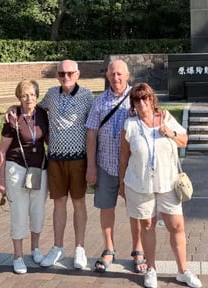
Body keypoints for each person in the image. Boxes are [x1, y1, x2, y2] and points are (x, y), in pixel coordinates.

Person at [119, 82, 202, 288]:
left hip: (168, 183)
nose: (142, 102)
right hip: (140, 185)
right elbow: (124, 159)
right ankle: (151, 269)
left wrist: (171, 134)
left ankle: (183, 270)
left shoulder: (166, 117)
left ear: (152, 98)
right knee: (147, 225)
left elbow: (184, 140)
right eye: (137, 99)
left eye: (145, 97)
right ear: (133, 103)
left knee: (176, 226)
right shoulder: (130, 125)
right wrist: (122, 184)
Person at [85, 59, 146, 274]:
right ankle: (109, 249)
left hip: (133, 168)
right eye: (112, 74)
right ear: (107, 76)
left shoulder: (138, 100)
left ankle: (138, 249)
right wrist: (91, 165)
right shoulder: (99, 101)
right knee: (106, 208)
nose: (116, 78)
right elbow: (91, 134)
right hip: (105, 165)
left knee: (136, 210)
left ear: (127, 75)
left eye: (119, 74)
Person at [37, 59, 94, 269]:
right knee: (58, 203)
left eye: (70, 73)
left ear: (78, 74)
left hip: (78, 159)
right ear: (57, 76)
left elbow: (93, 128)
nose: (66, 77)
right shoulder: (51, 94)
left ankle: (80, 248)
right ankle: (58, 247)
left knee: (79, 203)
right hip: (55, 159)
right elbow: (36, 108)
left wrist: (92, 163)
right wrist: (13, 108)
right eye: (62, 74)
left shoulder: (87, 96)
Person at [0, 79, 49, 274]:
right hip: (17, 169)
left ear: (37, 96)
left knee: (38, 212)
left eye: (33, 94)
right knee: (19, 213)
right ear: (19, 97)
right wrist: (0, 179)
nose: (29, 98)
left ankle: (35, 248)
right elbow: (2, 150)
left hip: (39, 170)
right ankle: (18, 256)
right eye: (25, 95)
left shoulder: (42, 114)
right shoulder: (13, 117)